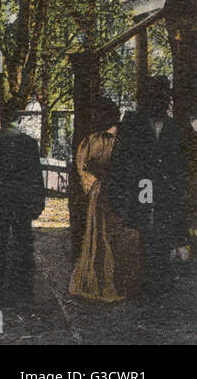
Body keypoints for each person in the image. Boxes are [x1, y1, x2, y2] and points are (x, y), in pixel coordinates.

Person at [107, 75, 191, 296]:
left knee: (162, 232)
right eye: (156, 96)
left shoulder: (175, 127)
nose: (160, 101)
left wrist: (178, 192)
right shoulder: (133, 123)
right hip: (140, 188)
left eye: (164, 97)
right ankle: (140, 281)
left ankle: (160, 281)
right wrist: (117, 195)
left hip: (165, 192)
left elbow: (181, 163)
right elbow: (120, 159)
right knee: (141, 230)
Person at [69, 96, 142, 302]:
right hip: (99, 195)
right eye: (98, 114)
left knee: (119, 236)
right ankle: (98, 282)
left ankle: (120, 283)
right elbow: (82, 168)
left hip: (121, 193)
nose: (100, 117)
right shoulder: (91, 141)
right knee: (99, 237)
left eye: (105, 113)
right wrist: (95, 185)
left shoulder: (125, 139)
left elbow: (132, 166)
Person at [0, 113, 46, 297]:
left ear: (1, 119)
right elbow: (36, 177)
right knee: (23, 244)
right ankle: (23, 288)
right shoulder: (29, 143)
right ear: (20, 120)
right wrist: (38, 203)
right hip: (21, 202)